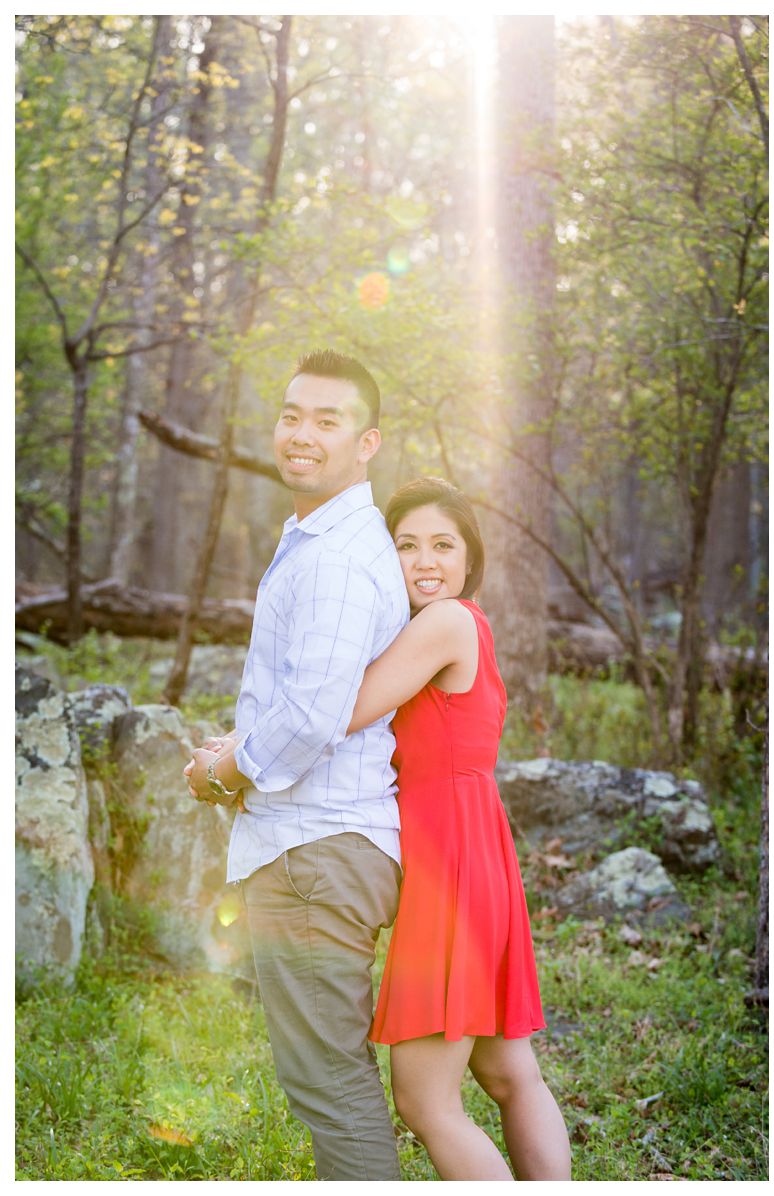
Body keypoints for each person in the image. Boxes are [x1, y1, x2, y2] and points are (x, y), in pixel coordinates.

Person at [183, 350, 411, 1180]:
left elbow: (313, 715)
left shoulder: (339, 560)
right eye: (291, 415)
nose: (301, 434)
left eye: (328, 420)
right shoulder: (320, 540)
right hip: (317, 850)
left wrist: (221, 771)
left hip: (316, 852)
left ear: (368, 442)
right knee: (324, 1079)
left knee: (330, 1086)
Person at [350, 478, 569, 1180]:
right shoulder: (457, 624)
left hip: (450, 870)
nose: (424, 561)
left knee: (426, 1100)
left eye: (442, 544)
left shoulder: (445, 621)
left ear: (469, 557)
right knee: (510, 1075)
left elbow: (339, 708)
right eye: (405, 545)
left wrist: (238, 749)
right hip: (479, 858)